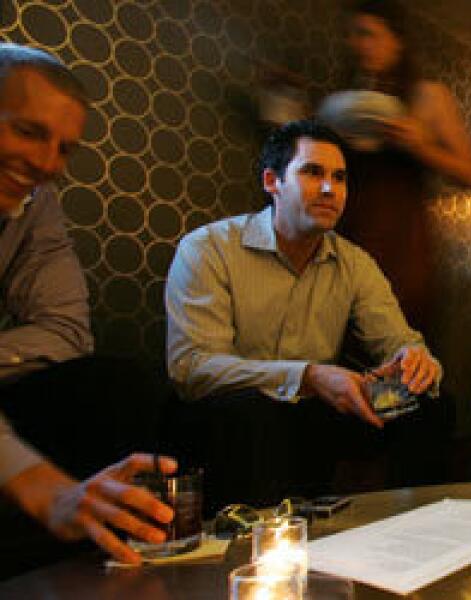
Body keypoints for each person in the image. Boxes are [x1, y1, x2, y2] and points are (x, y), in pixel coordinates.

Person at [165, 120, 444, 506]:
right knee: (252, 413)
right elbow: (192, 368)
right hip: (235, 416)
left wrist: (415, 362)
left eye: (340, 178)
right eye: (313, 172)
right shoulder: (208, 249)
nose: (330, 189)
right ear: (271, 182)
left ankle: (413, 534)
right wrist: (309, 377)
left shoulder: (354, 262)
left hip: (317, 413)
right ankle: (251, 549)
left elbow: (399, 340)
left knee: (427, 404)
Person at [0, 42, 175, 572]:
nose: (46, 163)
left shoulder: (36, 200)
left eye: (64, 148)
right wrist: (47, 491)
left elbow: (67, 331)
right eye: (27, 131)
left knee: (114, 383)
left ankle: (98, 566)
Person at [335, 0, 471, 331]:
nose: (358, 44)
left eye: (367, 34)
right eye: (352, 36)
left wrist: (420, 146)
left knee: (403, 352)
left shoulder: (427, 96)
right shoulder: (343, 103)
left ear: (396, 39)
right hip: (350, 236)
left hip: (403, 244)